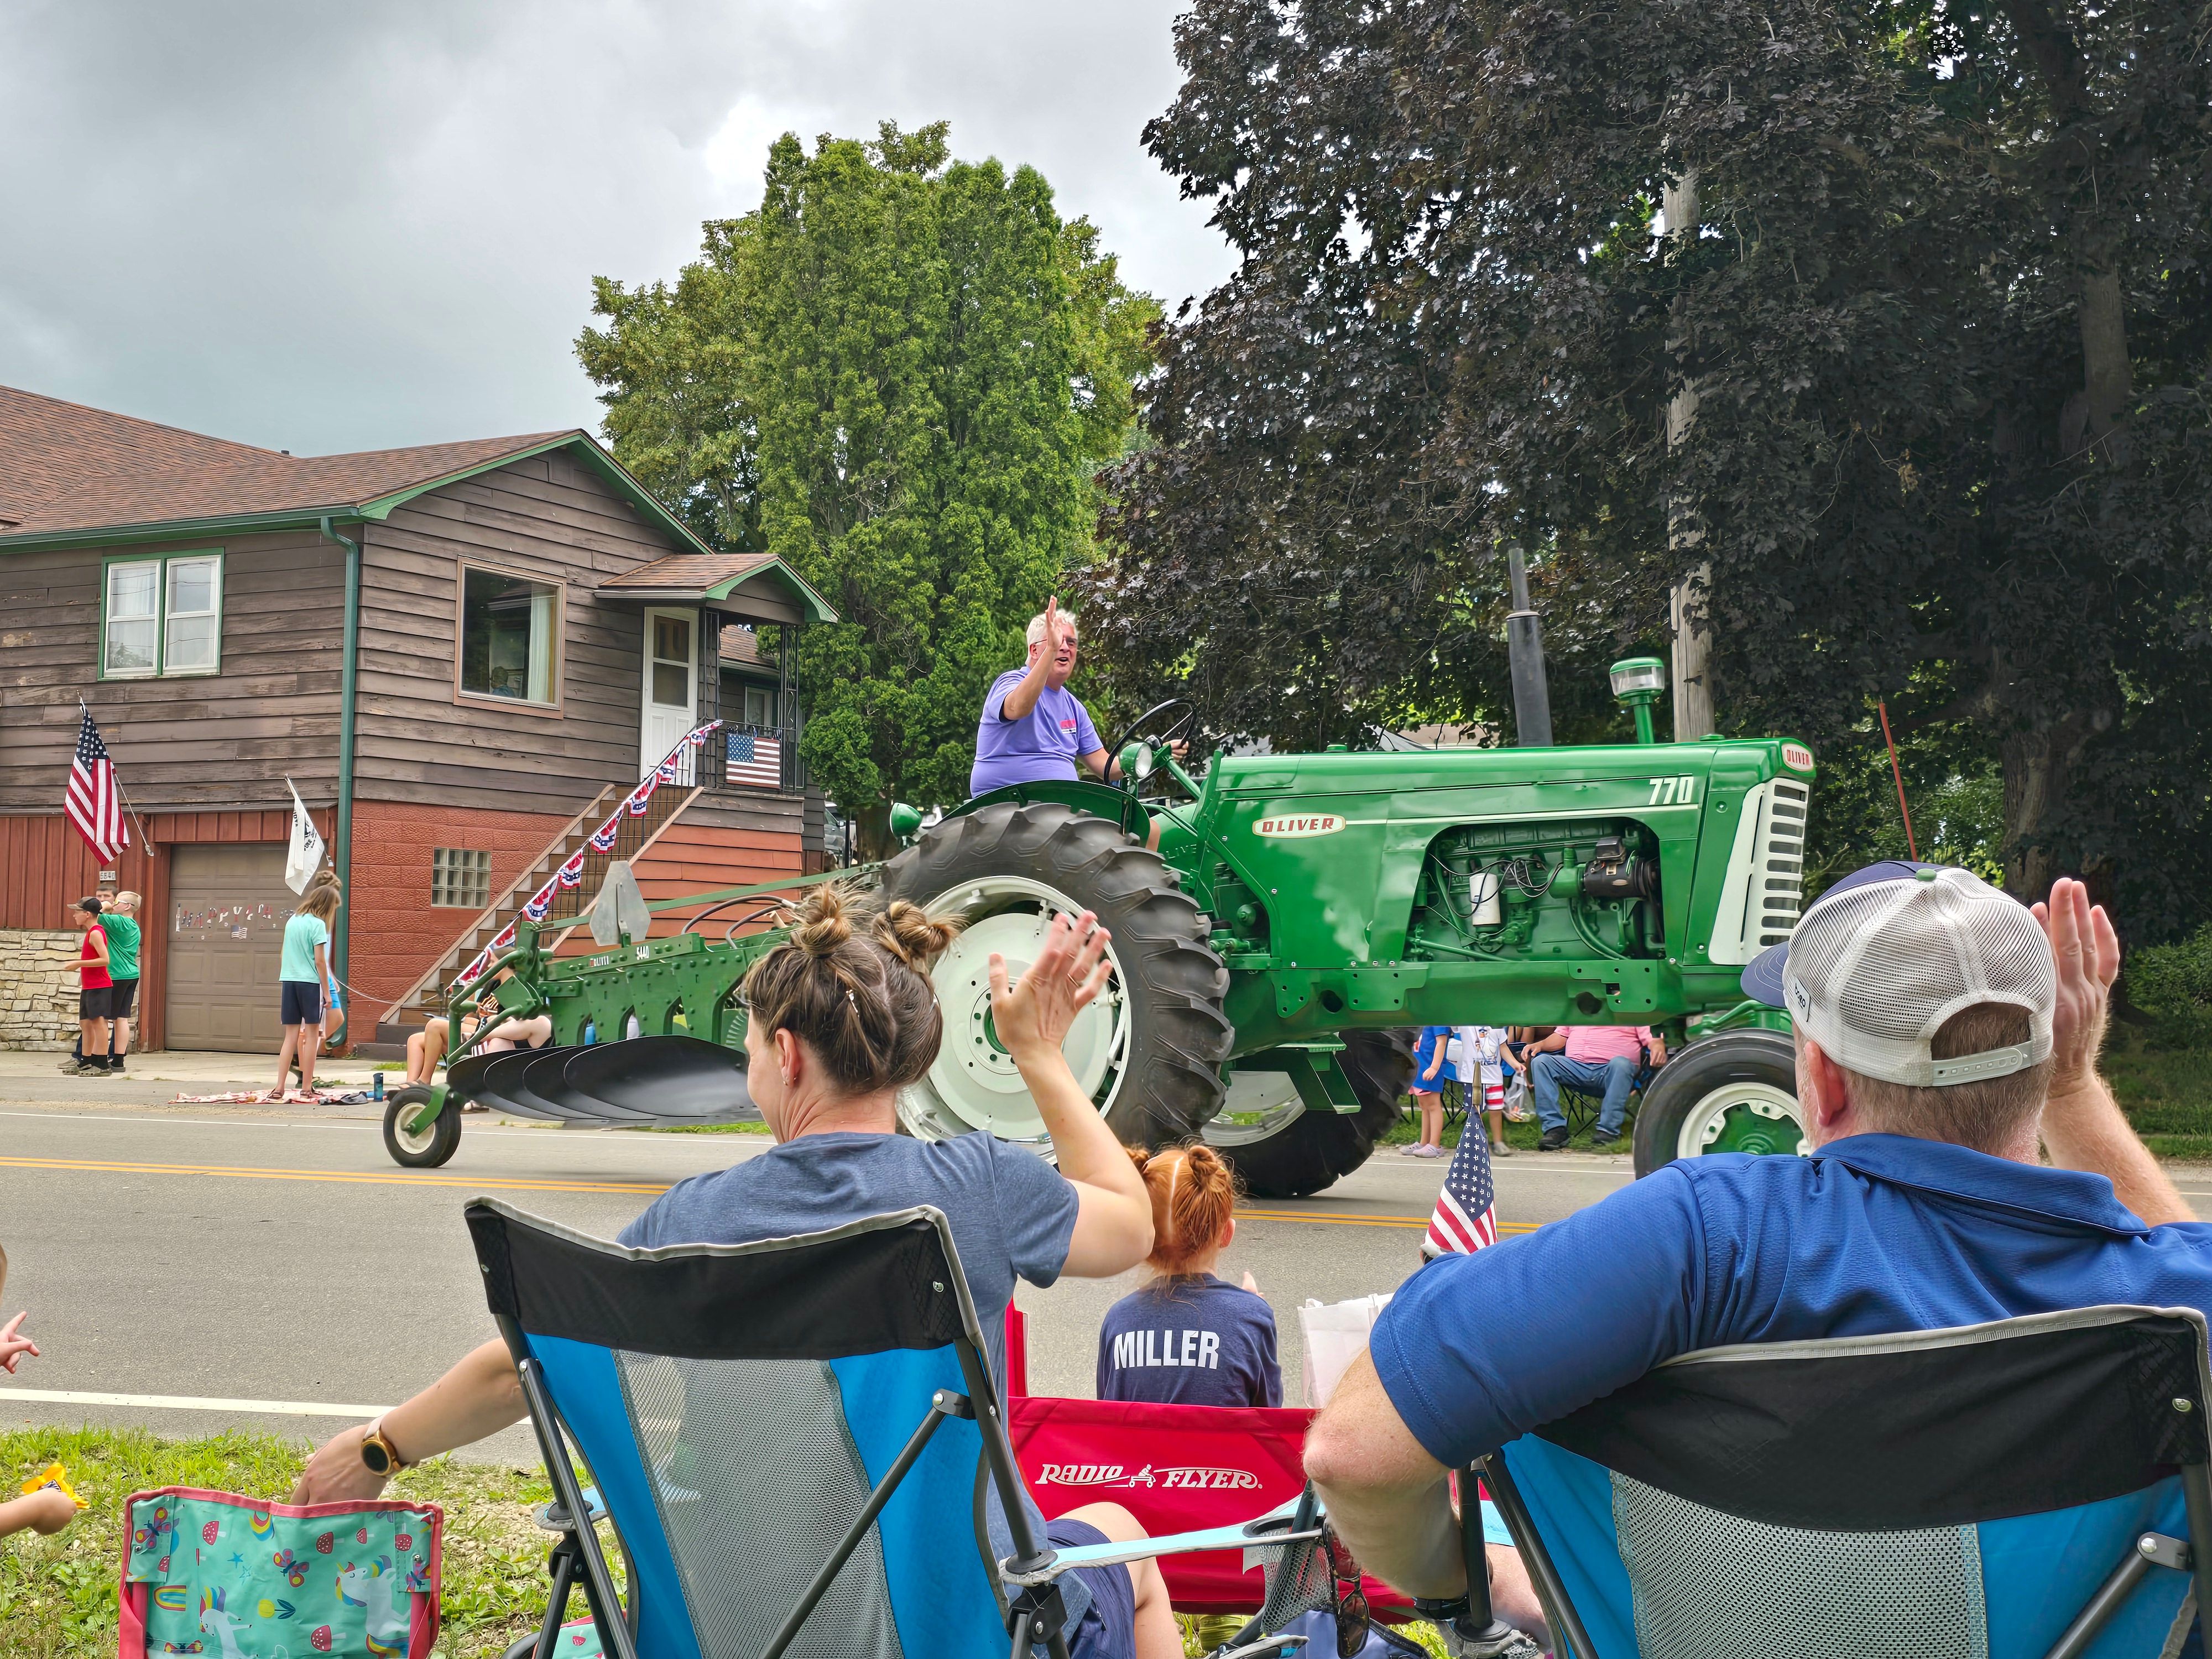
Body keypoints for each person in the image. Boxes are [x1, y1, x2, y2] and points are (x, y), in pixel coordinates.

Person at [1304, 867, 2204, 1639]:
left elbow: (1354, 1453)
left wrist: (1466, 1587)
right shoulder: (2174, 1304)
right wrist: (2077, 1090)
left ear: (1817, 1075)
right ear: (2043, 1065)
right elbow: (2188, 1270)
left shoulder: (1708, 1237)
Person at [294, 886, 1181, 1659]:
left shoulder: (692, 1221)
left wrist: (381, 1447)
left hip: (741, 1632)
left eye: (750, 1043)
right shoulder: (981, 1189)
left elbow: (519, 1366)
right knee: (1124, 1539)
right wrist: (1038, 1053)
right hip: (967, 1636)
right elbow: (1131, 1224)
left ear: (788, 1054)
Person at [971, 598, 1185, 851]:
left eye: (1070, 643)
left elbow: (1105, 767)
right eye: (1055, 642)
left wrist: (1155, 756)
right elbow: (1018, 708)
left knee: (1147, 829)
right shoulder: (1010, 682)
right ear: (1033, 651)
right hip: (1014, 800)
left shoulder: (1073, 706)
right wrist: (1050, 652)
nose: (1064, 648)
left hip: (1063, 801)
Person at [1097, 1142, 1282, 1408]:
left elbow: (1106, 1414)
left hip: (1135, 1452)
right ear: (1226, 1233)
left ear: (1144, 1241)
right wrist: (1250, 1308)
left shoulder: (1118, 1320)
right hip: (1222, 1451)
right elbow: (1269, 1415)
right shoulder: (1253, 1317)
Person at [1524, 1022, 1666, 1150]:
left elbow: (1652, 1038)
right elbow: (1560, 1037)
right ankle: (1555, 1130)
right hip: (1576, 1069)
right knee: (1541, 1062)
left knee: (1621, 1063)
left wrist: (1658, 1045)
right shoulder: (1579, 1008)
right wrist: (1540, 1045)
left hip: (1613, 1071)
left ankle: (1608, 1131)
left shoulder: (1630, 1010)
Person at [267, 883, 341, 1103]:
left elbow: (285, 952)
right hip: (310, 984)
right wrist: (327, 994)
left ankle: (279, 1086)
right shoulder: (318, 925)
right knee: (311, 1037)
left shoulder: (292, 920)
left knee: (290, 1037)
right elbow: (320, 960)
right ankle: (307, 1087)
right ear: (326, 906)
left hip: (289, 981)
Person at [59, 896, 111, 1079]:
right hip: (90, 986)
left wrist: (77, 963)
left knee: (98, 1023)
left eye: (77, 912)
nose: (74, 915)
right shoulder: (92, 932)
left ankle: (102, 1064)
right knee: (86, 1024)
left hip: (99, 986)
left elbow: (105, 960)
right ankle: (86, 1060)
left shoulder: (96, 933)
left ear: (87, 914)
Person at [102, 890, 142, 1073]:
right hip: (131, 974)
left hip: (116, 975)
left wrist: (105, 906)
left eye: (117, 901)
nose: (114, 903)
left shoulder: (119, 922)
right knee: (121, 1018)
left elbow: (96, 917)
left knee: (102, 1018)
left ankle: (99, 1059)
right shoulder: (133, 925)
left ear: (127, 906)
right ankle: (118, 1061)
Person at [1460, 1024, 1510, 1157]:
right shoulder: (1466, 1023)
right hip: (1473, 1077)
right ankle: (1479, 1142)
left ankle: (1498, 1142)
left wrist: (1515, 1064)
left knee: (1496, 1111)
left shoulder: (1497, 1025)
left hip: (1495, 1078)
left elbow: (1503, 1047)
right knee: (1476, 1112)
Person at [1403, 1025, 1452, 1158]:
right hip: (1419, 1068)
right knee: (1424, 1106)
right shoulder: (1421, 1019)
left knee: (1433, 1105)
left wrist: (1434, 1068)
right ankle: (1424, 1143)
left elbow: (1441, 1042)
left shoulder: (1438, 1018)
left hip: (1429, 1068)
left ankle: (1435, 1145)